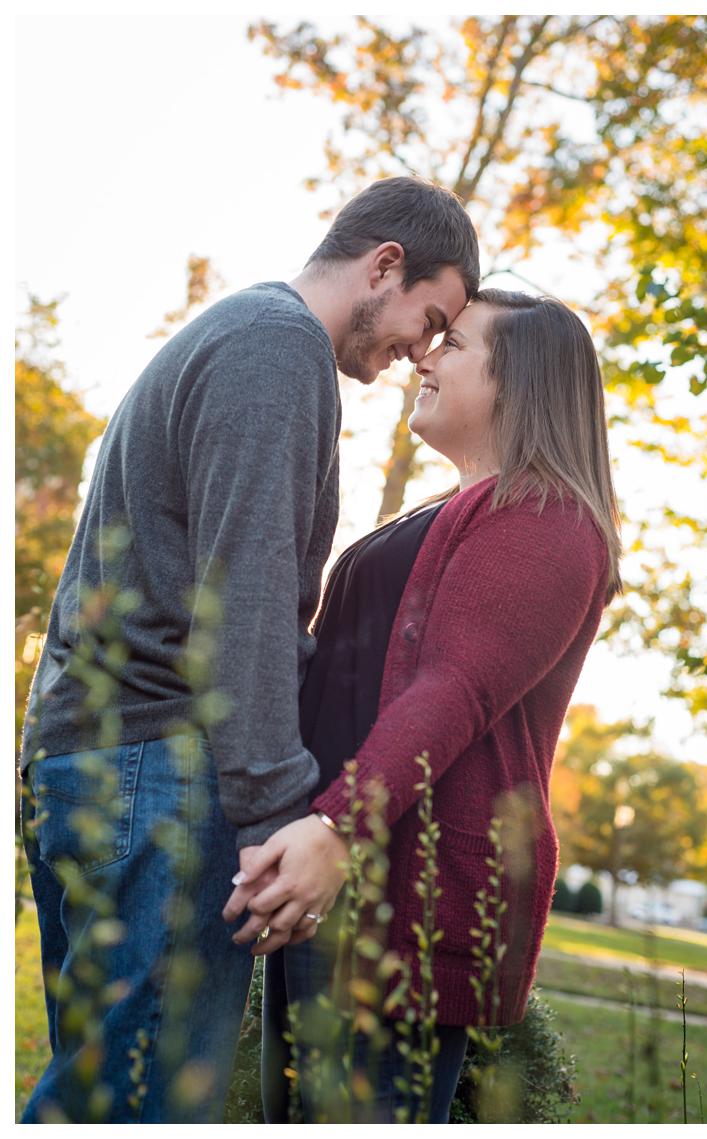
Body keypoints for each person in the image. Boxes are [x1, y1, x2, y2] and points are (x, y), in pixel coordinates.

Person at [17, 176, 477, 1124]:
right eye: (427, 319)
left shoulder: (235, 333)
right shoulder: (277, 350)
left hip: (95, 757)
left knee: (101, 1094)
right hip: (158, 776)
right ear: (384, 264)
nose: (417, 353)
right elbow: (249, 599)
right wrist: (276, 821)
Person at [229, 290, 622, 1123]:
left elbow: (455, 687)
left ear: (521, 384)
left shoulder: (550, 517)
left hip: (408, 889)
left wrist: (339, 823)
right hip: (339, 869)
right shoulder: (455, 507)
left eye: (455, 344)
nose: (424, 356)